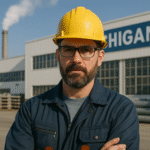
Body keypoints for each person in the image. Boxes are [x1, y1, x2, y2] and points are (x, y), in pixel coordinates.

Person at [5, 6, 139, 150]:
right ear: (58, 56)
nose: (76, 59)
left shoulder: (121, 111)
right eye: (68, 49)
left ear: (100, 58)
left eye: (86, 50)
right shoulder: (31, 110)